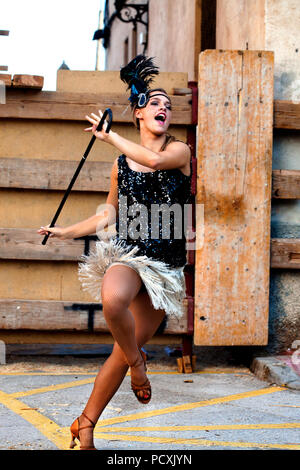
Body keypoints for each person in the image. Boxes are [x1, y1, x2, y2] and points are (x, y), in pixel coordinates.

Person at [37, 55, 192, 450]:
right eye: (154, 102)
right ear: (139, 112)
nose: (163, 108)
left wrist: (110, 137)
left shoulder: (180, 152)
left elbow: (154, 160)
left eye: (168, 105)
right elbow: (108, 213)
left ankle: (84, 424)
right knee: (112, 300)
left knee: (117, 353)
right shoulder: (121, 165)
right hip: (129, 254)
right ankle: (139, 364)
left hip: (164, 270)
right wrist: (66, 231)